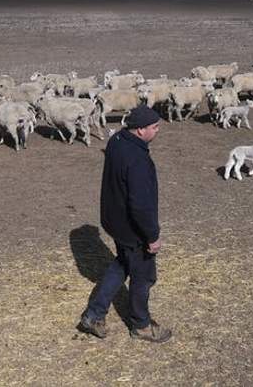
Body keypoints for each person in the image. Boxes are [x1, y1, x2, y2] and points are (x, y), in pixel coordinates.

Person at [78, 105, 172, 343]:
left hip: (116, 221)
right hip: (133, 229)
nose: (158, 130)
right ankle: (140, 325)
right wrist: (152, 235)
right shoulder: (137, 158)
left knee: (122, 264)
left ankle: (93, 314)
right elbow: (141, 205)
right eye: (154, 127)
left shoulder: (117, 140)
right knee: (144, 275)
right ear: (140, 130)